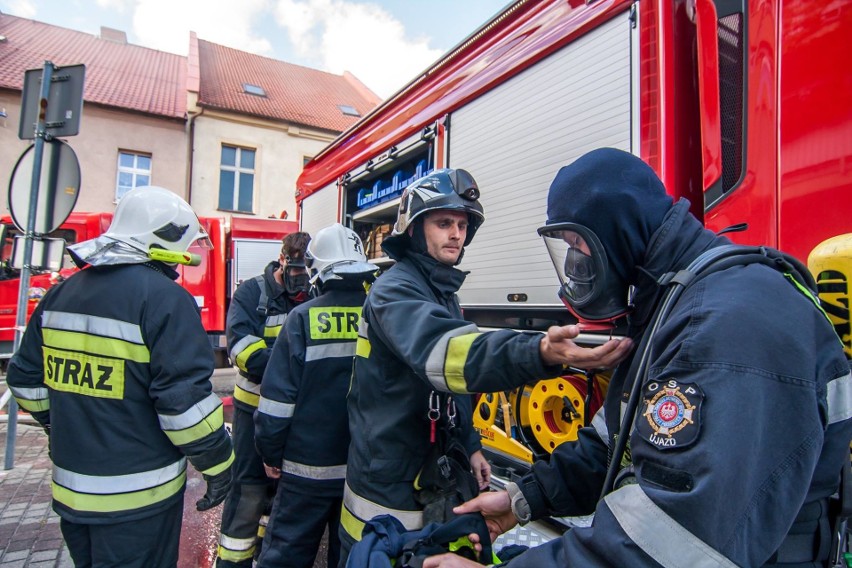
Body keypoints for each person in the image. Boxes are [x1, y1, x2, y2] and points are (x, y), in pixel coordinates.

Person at [423, 148, 852, 567]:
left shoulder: (725, 327)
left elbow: (672, 543)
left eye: (578, 243)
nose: (575, 263)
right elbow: (617, 442)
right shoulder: (675, 304)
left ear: (616, 232)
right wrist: (523, 497)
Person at [340, 168, 633, 565]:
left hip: (429, 473)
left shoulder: (441, 293)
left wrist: (473, 446)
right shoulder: (394, 291)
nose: (456, 234)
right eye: (444, 223)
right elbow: (448, 357)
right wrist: (540, 353)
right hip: (388, 487)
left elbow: (453, 384)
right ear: (413, 230)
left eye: (462, 224)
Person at [6, 186, 234, 568]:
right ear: (164, 241)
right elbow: (184, 408)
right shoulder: (166, 299)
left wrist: (61, 424)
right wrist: (219, 465)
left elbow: (25, 382)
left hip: (72, 492)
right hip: (140, 499)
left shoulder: (60, 294)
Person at [254, 223, 378, 568]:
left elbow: (277, 403)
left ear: (318, 271)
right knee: (351, 557)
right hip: (361, 471)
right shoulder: (379, 316)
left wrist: (270, 453)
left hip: (304, 471)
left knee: (285, 557)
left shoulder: (301, 318)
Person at [216, 229, 312, 566]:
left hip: (296, 417)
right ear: (283, 261)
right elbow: (244, 353)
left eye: (308, 274)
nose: (302, 283)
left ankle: (266, 551)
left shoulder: (313, 291)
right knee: (249, 488)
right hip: (253, 411)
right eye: (297, 273)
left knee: (285, 490)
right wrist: (297, 359)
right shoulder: (251, 294)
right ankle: (232, 560)